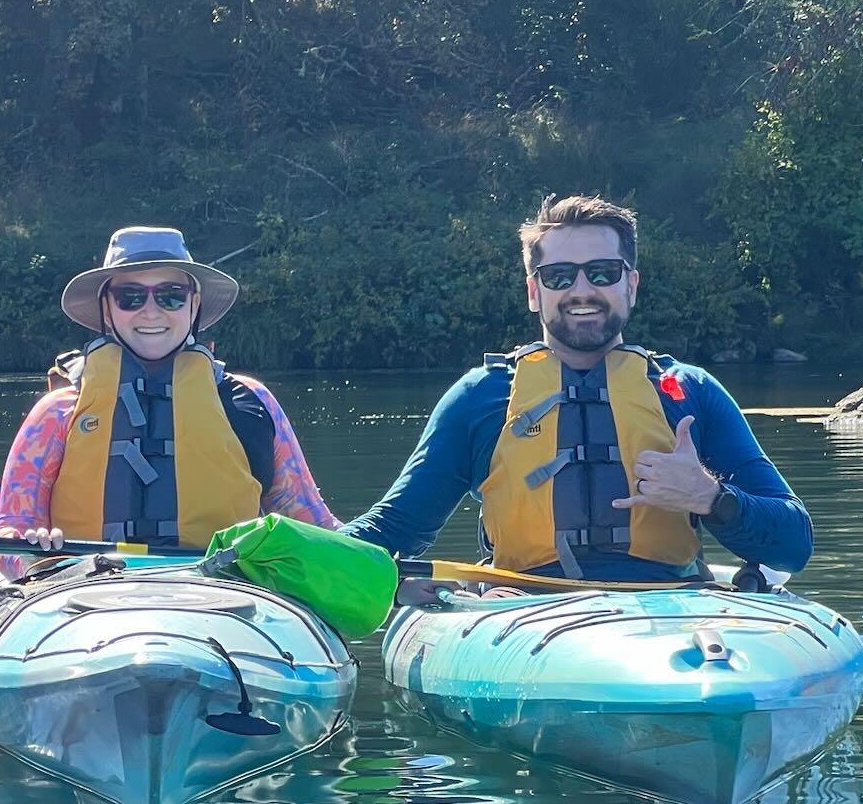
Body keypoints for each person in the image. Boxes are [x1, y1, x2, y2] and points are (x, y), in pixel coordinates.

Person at [341, 193, 812, 582]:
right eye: (559, 276)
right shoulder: (480, 397)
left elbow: (794, 545)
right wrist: (294, 550)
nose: (581, 290)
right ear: (533, 291)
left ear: (631, 285)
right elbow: (396, 528)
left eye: (603, 273)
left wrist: (710, 497)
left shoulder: (690, 391)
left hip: (671, 613)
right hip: (523, 613)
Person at [0, 226, 339, 554]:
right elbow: (10, 532)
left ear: (194, 304)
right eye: (129, 296)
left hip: (222, 596)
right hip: (91, 596)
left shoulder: (250, 402)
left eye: (171, 296)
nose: (151, 312)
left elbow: (316, 526)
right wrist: (31, 550)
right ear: (106, 307)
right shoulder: (57, 412)